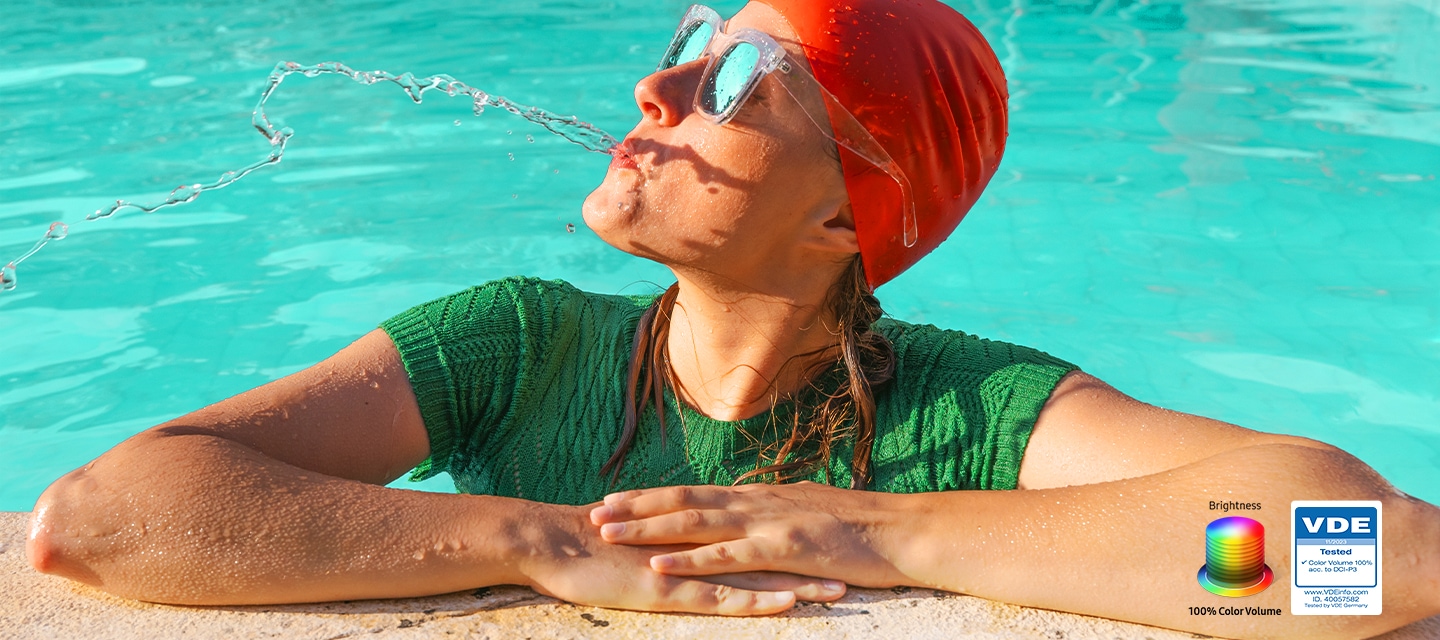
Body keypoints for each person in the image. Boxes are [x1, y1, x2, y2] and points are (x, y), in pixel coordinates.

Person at [26, 1, 1439, 637]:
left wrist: (872, 533)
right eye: (690, 45)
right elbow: (96, 521)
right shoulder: (517, 342)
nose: (657, 91)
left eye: (740, 82)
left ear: (846, 219)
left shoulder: (972, 414)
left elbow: (1374, 562)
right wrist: (544, 544)